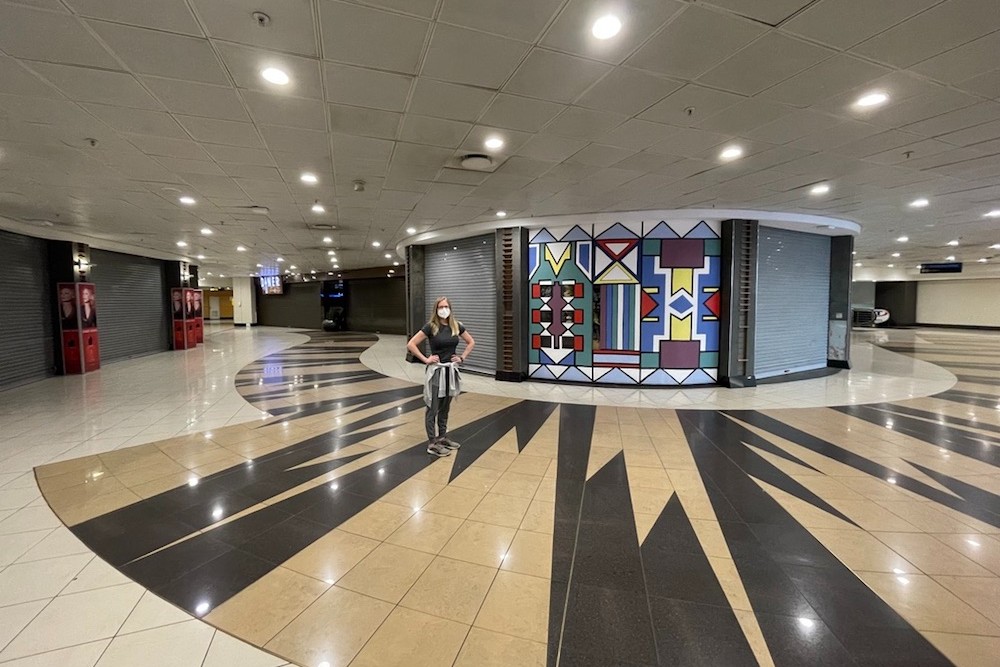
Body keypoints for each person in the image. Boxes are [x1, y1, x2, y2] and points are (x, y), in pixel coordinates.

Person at [406, 297, 475, 457]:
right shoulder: (431, 327)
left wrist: (462, 357)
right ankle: (432, 443)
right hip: (436, 372)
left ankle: (442, 437)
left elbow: (471, 342)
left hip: (450, 372)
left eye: (446, 306)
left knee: (445, 407)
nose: (443, 309)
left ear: (450, 308)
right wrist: (425, 359)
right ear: (436, 309)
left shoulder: (456, 326)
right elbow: (411, 344)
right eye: (440, 307)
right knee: (433, 407)